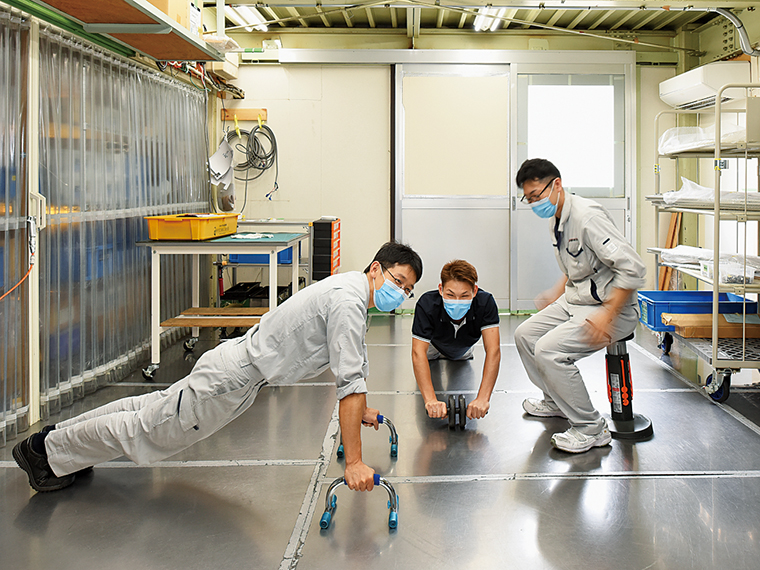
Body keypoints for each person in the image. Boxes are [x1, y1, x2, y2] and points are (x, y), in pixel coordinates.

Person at [13, 241, 422, 493]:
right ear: (375, 269)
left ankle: (63, 446)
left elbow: (349, 367)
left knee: (147, 410)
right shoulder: (350, 302)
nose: (400, 293)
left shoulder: (349, 290)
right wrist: (353, 462)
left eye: (407, 289)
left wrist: (362, 409)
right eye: (397, 280)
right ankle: (46, 454)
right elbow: (350, 384)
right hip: (232, 379)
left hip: (234, 368)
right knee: (148, 432)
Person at [514, 158, 646, 453]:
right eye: (529, 199)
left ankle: (591, 428)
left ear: (557, 184)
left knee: (549, 350)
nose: (534, 203)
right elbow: (577, 262)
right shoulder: (557, 218)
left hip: (612, 308)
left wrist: (607, 316)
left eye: (537, 196)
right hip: (577, 300)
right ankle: (555, 401)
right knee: (525, 335)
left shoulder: (588, 217)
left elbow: (633, 269)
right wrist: (555, 292)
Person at [411, 260, 500, 420]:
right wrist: (430, 399)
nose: (457, 301)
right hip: (433, 345)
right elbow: (418, 352)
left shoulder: (485, 303)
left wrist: (483, 398)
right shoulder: (426, 304)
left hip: (463, 349)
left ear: (474, 291)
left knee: (459, 362)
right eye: (450, 295)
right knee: (429, 364)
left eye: (464, 295)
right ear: (440, 289)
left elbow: (493, 350)